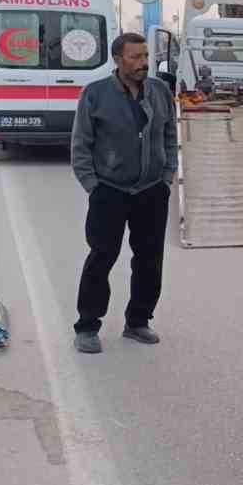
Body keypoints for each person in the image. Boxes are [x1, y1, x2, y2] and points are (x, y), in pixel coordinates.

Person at [70, 32, 179, 353]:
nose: (143, 63)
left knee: (149, 260)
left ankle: (138, 321)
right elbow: (81, 145)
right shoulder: (95, 94)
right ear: (118, 60)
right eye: (135, 57)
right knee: (101, 257)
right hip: (110, 190)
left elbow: (170, 134)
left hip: (151, 190)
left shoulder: (159, 91)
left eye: (145, 56)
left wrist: (167, 175)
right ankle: (87, 325)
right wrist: (93, 186)